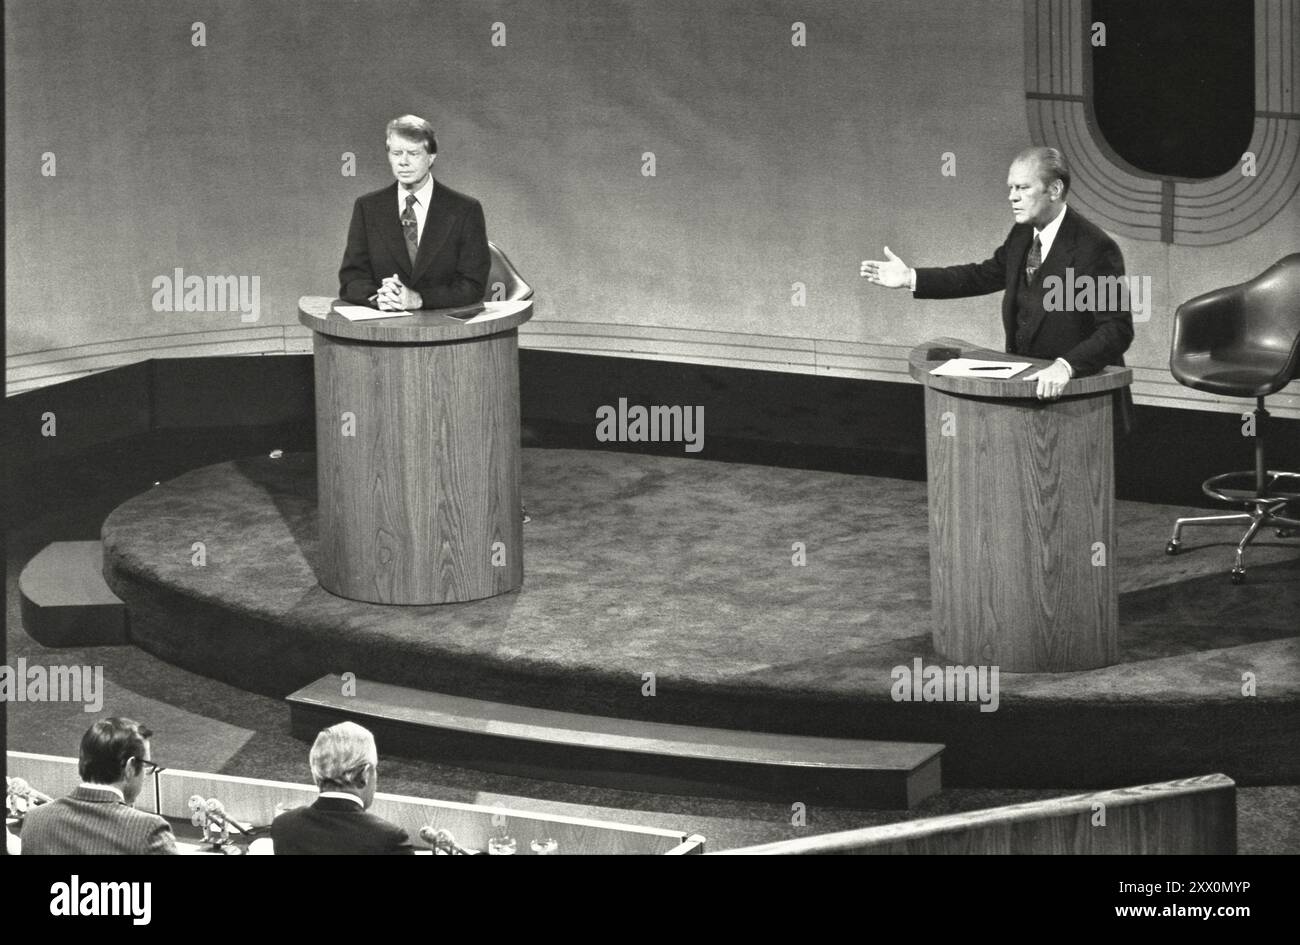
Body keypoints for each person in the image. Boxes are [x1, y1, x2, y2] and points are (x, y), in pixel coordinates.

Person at [861, 146, 1134, 405]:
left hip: (1083, 400)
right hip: (1028, 392)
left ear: (1054, 189)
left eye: (1023, 188)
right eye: (1011, 188)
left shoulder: (1094, 248)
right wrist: (911, 277)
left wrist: (1065, 367)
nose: (1011, 197)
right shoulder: (1022, 234)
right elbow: (981, 276)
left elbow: (1116, 329)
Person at [339, 114, 490, 311]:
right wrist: (378, 298)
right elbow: (351, 280)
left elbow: (473, 286)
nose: (403, 162)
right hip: (384, 328)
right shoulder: (367, 208)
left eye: (413, 153)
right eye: (396, 153)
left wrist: (419, 299)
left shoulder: (465, 210)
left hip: (444, 330)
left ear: (431, 157)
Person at [20, 717, 177, 855]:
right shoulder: (149, 831)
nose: (145, 774)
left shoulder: (35, 820)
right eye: (146, 766)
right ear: (130, 768)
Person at [271, 721, 414, 855]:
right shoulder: (390, 839)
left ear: (316, 772)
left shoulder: (283, 826)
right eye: (375, 770)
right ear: (364, 775)